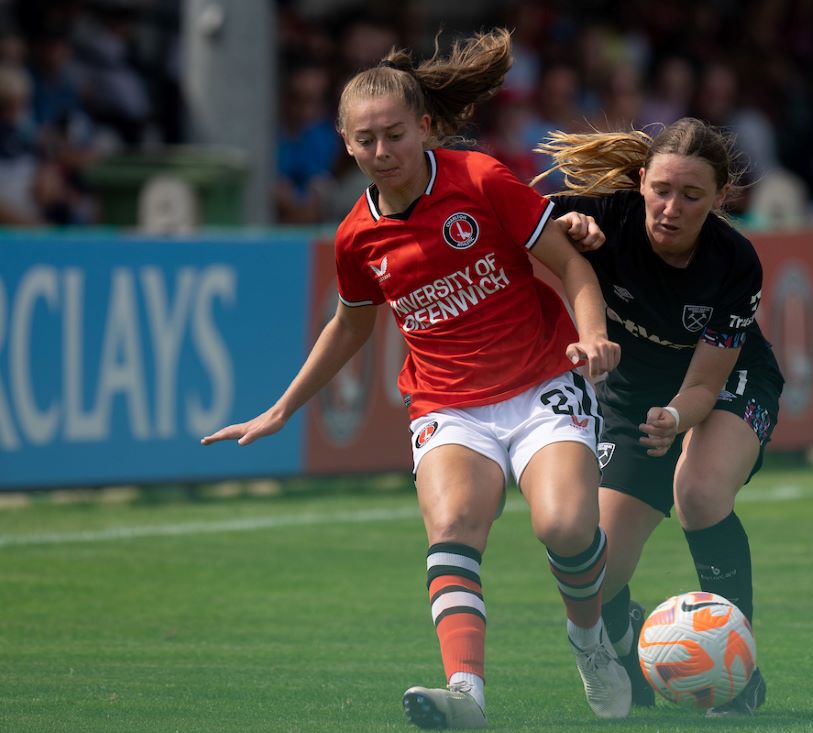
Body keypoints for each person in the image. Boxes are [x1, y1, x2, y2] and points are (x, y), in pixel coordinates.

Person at [201, 29, 631, 729]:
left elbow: (572, 264)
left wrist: (592, 335)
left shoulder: (481, 179)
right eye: (364, 140)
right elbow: (351, 324)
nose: (381, 152)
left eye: (394, 135)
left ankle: (590, 643)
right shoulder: (355, 237)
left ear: (425, 128)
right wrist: (282, 409)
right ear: (345, 143)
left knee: (565, 525)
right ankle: (466, 694)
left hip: (542, 381)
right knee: (454, 524)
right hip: (448, 404)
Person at [534, 117, 784, 717]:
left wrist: (676, 416)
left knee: (697, 491)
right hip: (633, 394)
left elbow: (703, 382)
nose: (671, 208)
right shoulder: (602, 217)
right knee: (597, 576)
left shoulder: (735, 262)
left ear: (720, 199)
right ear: (641, 181)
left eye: (692, 196)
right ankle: (630, 638)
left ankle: (737, 671)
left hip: (725, 385)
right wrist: (558, 230)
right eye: (662, 190)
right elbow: (503, 218)